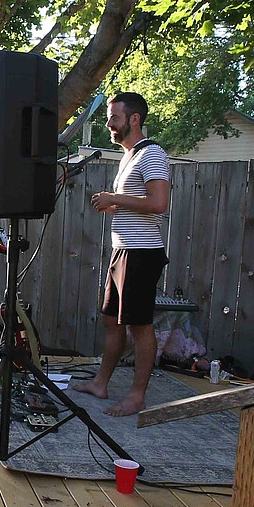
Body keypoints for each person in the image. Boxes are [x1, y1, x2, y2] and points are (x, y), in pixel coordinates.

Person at [72, 92, 170, 417]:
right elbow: (136, 203)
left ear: (134, 119)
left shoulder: (152, 155)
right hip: (122, 251)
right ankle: (100, 383)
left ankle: (137, 396)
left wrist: (115, 198)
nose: (109, 124)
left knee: (138, 326)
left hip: (142, 253)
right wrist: (112, 205)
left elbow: (158, 204)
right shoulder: (129, 157)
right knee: (110, 321)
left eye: (114, 118)